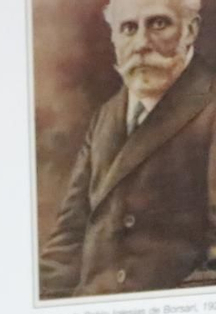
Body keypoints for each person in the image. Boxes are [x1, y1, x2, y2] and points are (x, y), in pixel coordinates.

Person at [39, 0, 216, 298]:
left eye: (159, 24)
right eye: (128, 28)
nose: (142, 43)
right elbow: (68, 239)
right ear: (114, 38)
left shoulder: (210, 108)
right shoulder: (106, 117)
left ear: (190, 30)